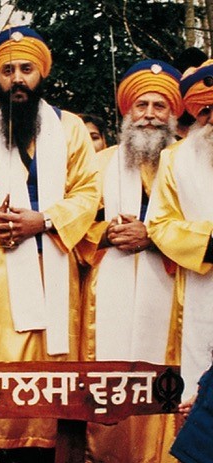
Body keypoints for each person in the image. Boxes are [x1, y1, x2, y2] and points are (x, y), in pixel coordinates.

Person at [0, 25, 100, 462]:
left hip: (51, 258)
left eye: (26, 69)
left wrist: (47, 219)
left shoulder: (70, 128)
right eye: (8, 71)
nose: (17, 79)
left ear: (42, 75)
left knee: (46, 376)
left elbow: (89, 193)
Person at [76, 59, 182, 462]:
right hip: (106, 295)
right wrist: (105, 233)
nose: (150, 115)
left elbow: (199, 229)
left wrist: (151, 237)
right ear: (126, 111)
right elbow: (73, 222)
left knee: (164, 381)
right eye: (142, 106)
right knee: (110, 377)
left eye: (160, 106)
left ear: (173, 113)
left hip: (171, 291)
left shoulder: (188, 164)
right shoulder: (99, 164)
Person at [148, 58, 213, 416]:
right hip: (201, 286)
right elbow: (158, 223)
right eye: (204, 111)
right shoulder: (174, 159)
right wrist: (206, 244)